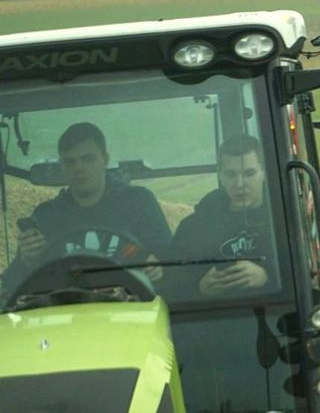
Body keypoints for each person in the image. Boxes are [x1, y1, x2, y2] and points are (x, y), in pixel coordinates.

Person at [7, 122, 170, 289]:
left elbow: (171, 262)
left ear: (105, 160)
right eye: (70, 161)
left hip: (131, 307)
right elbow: (13, 285)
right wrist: (26, 260)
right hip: (66, 307)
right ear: (61, 165)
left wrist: (157, 267)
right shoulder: (46, 216)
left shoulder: (139, 202)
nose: (79, 168)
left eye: (87, 159)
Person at [171, 135, 275, 296]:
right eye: (231, 175)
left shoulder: (283, 216)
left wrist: (267, 276)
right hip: (219, 315)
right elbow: (171, 282)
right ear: (220, 175)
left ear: (264, 172)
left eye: (249, 173)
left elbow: (305, 271)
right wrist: (199, 287)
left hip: (276, 311)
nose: (240, 184)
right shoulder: (197, 224)